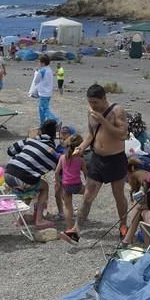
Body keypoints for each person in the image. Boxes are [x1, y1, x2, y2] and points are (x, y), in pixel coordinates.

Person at [61, 84, 128, 245]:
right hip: (98, 159)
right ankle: (76, 230)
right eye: (90, 102)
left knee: (118, 194)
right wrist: (81, 147)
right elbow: (91, 134)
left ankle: (123, 225)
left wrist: (103, 121)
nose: (93, 106)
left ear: (104, 98)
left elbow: (123, 134)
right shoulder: (90, 112)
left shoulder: (117, 111)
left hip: (116, 158)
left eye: (96, 102)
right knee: (88, 195)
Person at [5, 119, 59, 226]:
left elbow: (10, 151)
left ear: (40, 131)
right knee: (44, 186)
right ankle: (39, 220)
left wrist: (28, 140)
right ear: (55, 136)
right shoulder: (53, 154)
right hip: (23, 179)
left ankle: (20, 220)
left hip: (7, 174)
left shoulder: (30, 141)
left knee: (31, 189)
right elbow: (55, 169)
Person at [54, 134, 87, 231]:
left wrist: (57, 183)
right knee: (88, 196)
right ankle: (84, 215)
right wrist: (88, 184)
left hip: (66, 185)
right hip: (77, 185)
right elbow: (85, 173)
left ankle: (69, 228)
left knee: (68, 207)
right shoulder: (80, 159)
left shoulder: (62, 158)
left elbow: (56, 172)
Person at [53, 125, 77, 221]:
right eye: (61, 136)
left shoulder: (71, 148)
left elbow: (65, 158)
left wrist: (54, 154)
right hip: (59, 175)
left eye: (65, 135)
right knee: (57, 194)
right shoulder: (58, 147)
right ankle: (61, 212)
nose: (62, 138)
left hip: (67, 176)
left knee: (65, 195)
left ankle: (71, 211)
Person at [32, 55, 58, 126]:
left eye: (40, 62)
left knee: (44, 109)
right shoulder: (49, 69)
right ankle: (42, 123)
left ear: (43, 63)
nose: (39, 64)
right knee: (41, 109)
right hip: (48, 92)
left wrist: (36, 72)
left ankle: (56, 121)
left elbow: (36, 80)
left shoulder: (43, 70)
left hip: (44, 93)